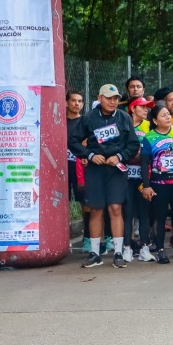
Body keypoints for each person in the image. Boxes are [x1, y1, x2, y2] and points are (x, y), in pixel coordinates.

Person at [69, 84, 140, 269]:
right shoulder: (88, 118)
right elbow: (73, 141)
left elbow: (133, 145)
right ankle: (95, 253)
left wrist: (120, 156)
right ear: (100, 98)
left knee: (116, 207)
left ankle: (118, 252)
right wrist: (90, 155)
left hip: (116, 169)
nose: (112, 101)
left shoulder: (124, 118)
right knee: (96, 209)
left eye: (115, 98)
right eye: (108, 98)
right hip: (95, 168)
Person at [140, 104, 173, 264]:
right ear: (156, 120)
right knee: (160, 216)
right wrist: (146, 185)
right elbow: (144, 164)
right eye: (163, 115)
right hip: (159, 183)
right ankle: (161, 250)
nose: (168, 117)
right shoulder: (149, 137)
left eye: (168, 115)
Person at [125, 97, 154, 262]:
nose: (146, 110)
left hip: (144, 176)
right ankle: (127, 247)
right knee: (127, 213)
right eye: (142, 107)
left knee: (144, 212)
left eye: (147, 108)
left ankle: (144, 247)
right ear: (133, 109)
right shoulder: (124, 126)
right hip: (126, 176)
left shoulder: (149, 126)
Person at [65, 90, 87, 243]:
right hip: (61, 167)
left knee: (84, 202)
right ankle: (61, 236)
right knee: (61, 201)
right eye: (73, 100)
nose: (77, 104)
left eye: (80, 101)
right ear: (66, 103)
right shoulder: (59, 121)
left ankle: (87, 237)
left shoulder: (85, 122)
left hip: (80, 167)